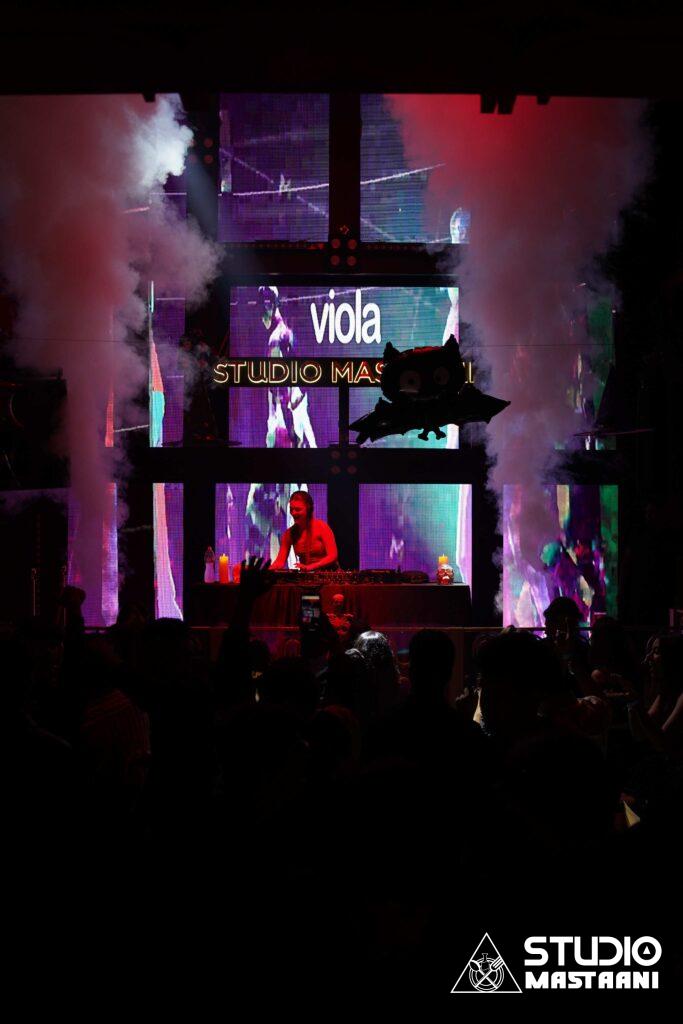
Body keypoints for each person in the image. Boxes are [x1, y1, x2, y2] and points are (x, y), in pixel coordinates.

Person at [269, 491, 338, 571]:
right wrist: (264, 571)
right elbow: (280, 562)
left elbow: (333, 555)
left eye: (298, 509)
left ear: (308, 510)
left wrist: (311, 567)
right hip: (308, 575)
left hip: (328, 574)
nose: (293, 513)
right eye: (291, 509)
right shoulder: (289, 533)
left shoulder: (322, 527)